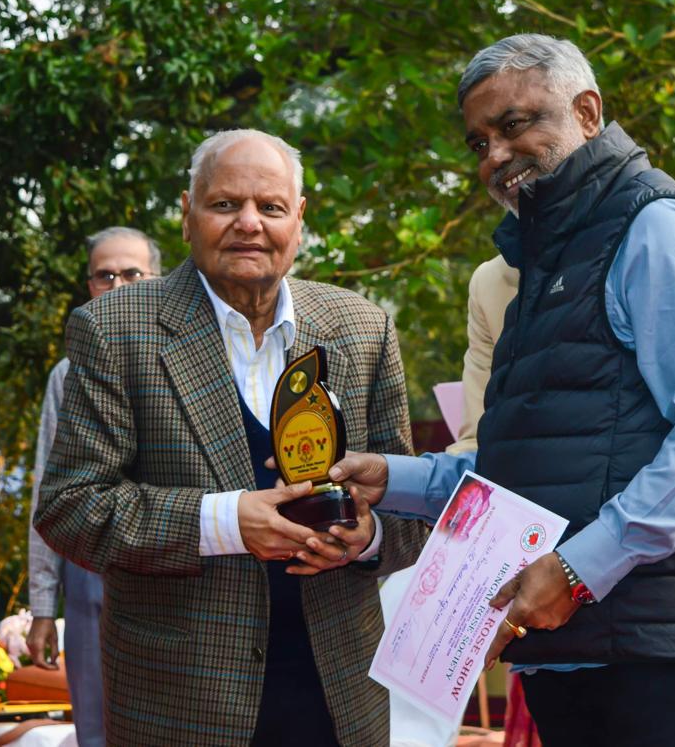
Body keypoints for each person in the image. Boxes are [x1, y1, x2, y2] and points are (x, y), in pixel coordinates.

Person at [331, 33, 675, 745]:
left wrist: (580, 569)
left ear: (587, 112)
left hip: (652, 649)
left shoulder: (652, 224)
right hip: (566, 650)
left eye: (515, 124)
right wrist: (392, 478)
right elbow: (522, 467)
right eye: (479, 142)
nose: (495, 155)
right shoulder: (539, 262)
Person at [34, 129, 426, 746]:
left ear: (298, 220)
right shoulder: (115, 330)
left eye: (270, 207)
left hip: (341, 701)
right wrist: (224, 523)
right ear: (187, 215)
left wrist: (368, 536)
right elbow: (70, 508)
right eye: (225, 204)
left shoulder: (361, 328)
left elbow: (412, 511)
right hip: (180, 705)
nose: (249, 223)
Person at [450, 253, 675, 747]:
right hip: (559, 616)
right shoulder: (493, 282)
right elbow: (480, 450)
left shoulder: (649, 237)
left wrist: (582, 566)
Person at [26, 226, 162, 747]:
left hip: (174, 572)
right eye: (105, 275)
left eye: (132, 273)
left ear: (157, 279)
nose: (117, 285)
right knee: (97, 730)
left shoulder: (192, 364)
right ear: (89, 286)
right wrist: (43, 606)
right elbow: (48, 492)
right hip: (89, 580)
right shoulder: (68, 375)